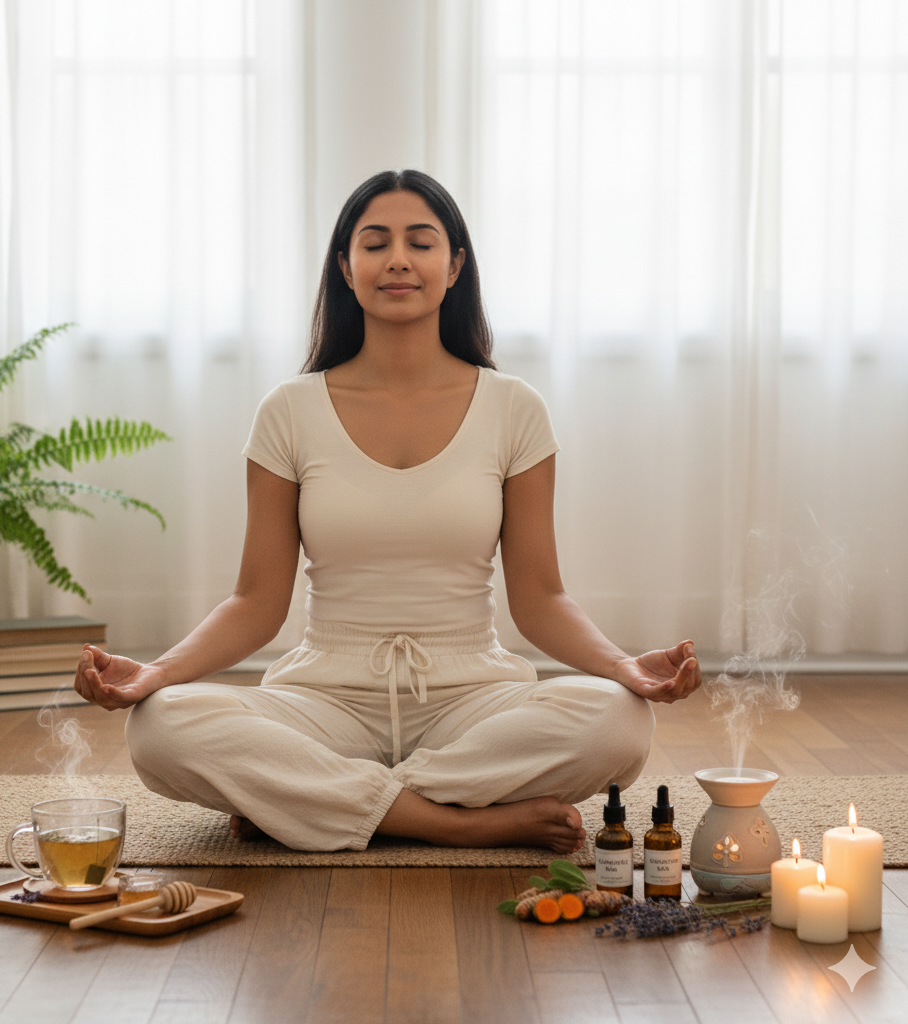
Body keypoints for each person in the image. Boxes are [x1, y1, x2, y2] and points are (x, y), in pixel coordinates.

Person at [74, 169, 702, 854]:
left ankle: (310, 799)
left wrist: (623, 668)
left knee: (618, 721)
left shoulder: (514, 409)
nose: (397, 259)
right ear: (346, 268)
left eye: (420, 242)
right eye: (374, 243)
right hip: (323, 696)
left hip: (471, 696)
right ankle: (452, 822)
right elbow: (255, 601)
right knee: (160, 727)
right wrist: (157, 674)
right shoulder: (289, 411)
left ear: (454, 265)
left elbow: (541, 597)